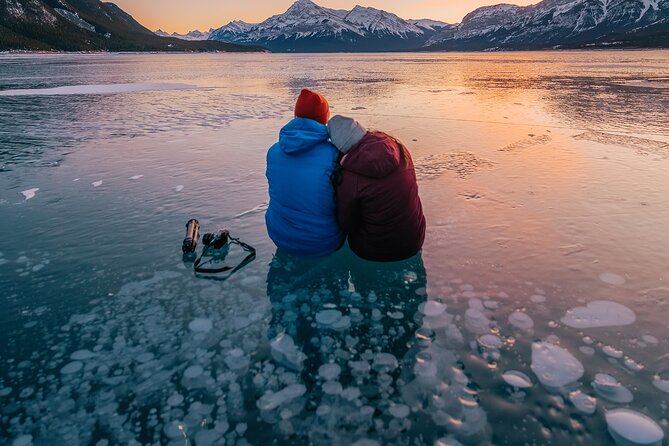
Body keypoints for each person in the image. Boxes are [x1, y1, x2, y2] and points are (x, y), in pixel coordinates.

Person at [327, 115, 426, 262]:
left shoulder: (350, 177)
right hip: (414, 240)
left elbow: (347, 224)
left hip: (373, 252)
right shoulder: (399, 148)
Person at [266, 89, 344, 257]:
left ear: (296, 115)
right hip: (323, 242)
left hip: (279, 236)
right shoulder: (334, 155)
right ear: (325, 118)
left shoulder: (273, 152)